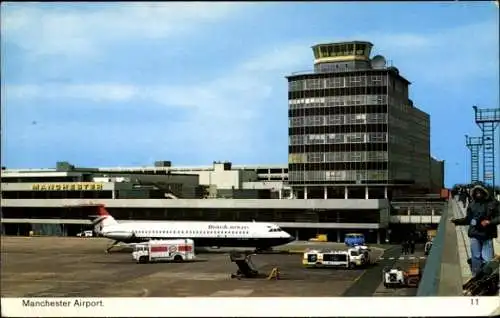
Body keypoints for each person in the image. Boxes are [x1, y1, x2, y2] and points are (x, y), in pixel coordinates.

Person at [451, 183, 500, 277]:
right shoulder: (472, 204)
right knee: (476, 258)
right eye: (476, 191)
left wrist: (489, 222)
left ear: (485, 192)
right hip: (475, 234)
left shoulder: (494, 203)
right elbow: (468, 219)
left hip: (487, 235)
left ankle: (487, 277)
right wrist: (456, 221)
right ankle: (476, 276)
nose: (478, 193)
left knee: (487, 258)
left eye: (480, 191)